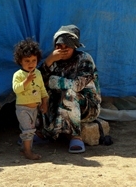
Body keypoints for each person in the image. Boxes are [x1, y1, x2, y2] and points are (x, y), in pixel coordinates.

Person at [38, 25, 101, 154]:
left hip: (87, 107)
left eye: (67, 46)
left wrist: (52, 81)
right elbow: (38, 82)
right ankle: (43, 133)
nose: (63, 50)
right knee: (36, 94)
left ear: (75, 46)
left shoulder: (84, 59)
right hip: (58, 104)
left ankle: (76, 137)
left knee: (69, 93)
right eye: (59, 46)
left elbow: (77, 85)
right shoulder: (53, 60)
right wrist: (49, 61)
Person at [12, 38, 49, 160]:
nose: (31, 63)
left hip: (35, 109)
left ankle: (25, 149)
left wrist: (44, 103)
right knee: (28, 130)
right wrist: (27, 80)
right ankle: (28, 152)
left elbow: (43, 90)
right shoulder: (18, 75)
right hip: (23, 108)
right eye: (27, 61)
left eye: (34, 60)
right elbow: (16, 89)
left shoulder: (38, 73)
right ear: (20, 62)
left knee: (30, 130)